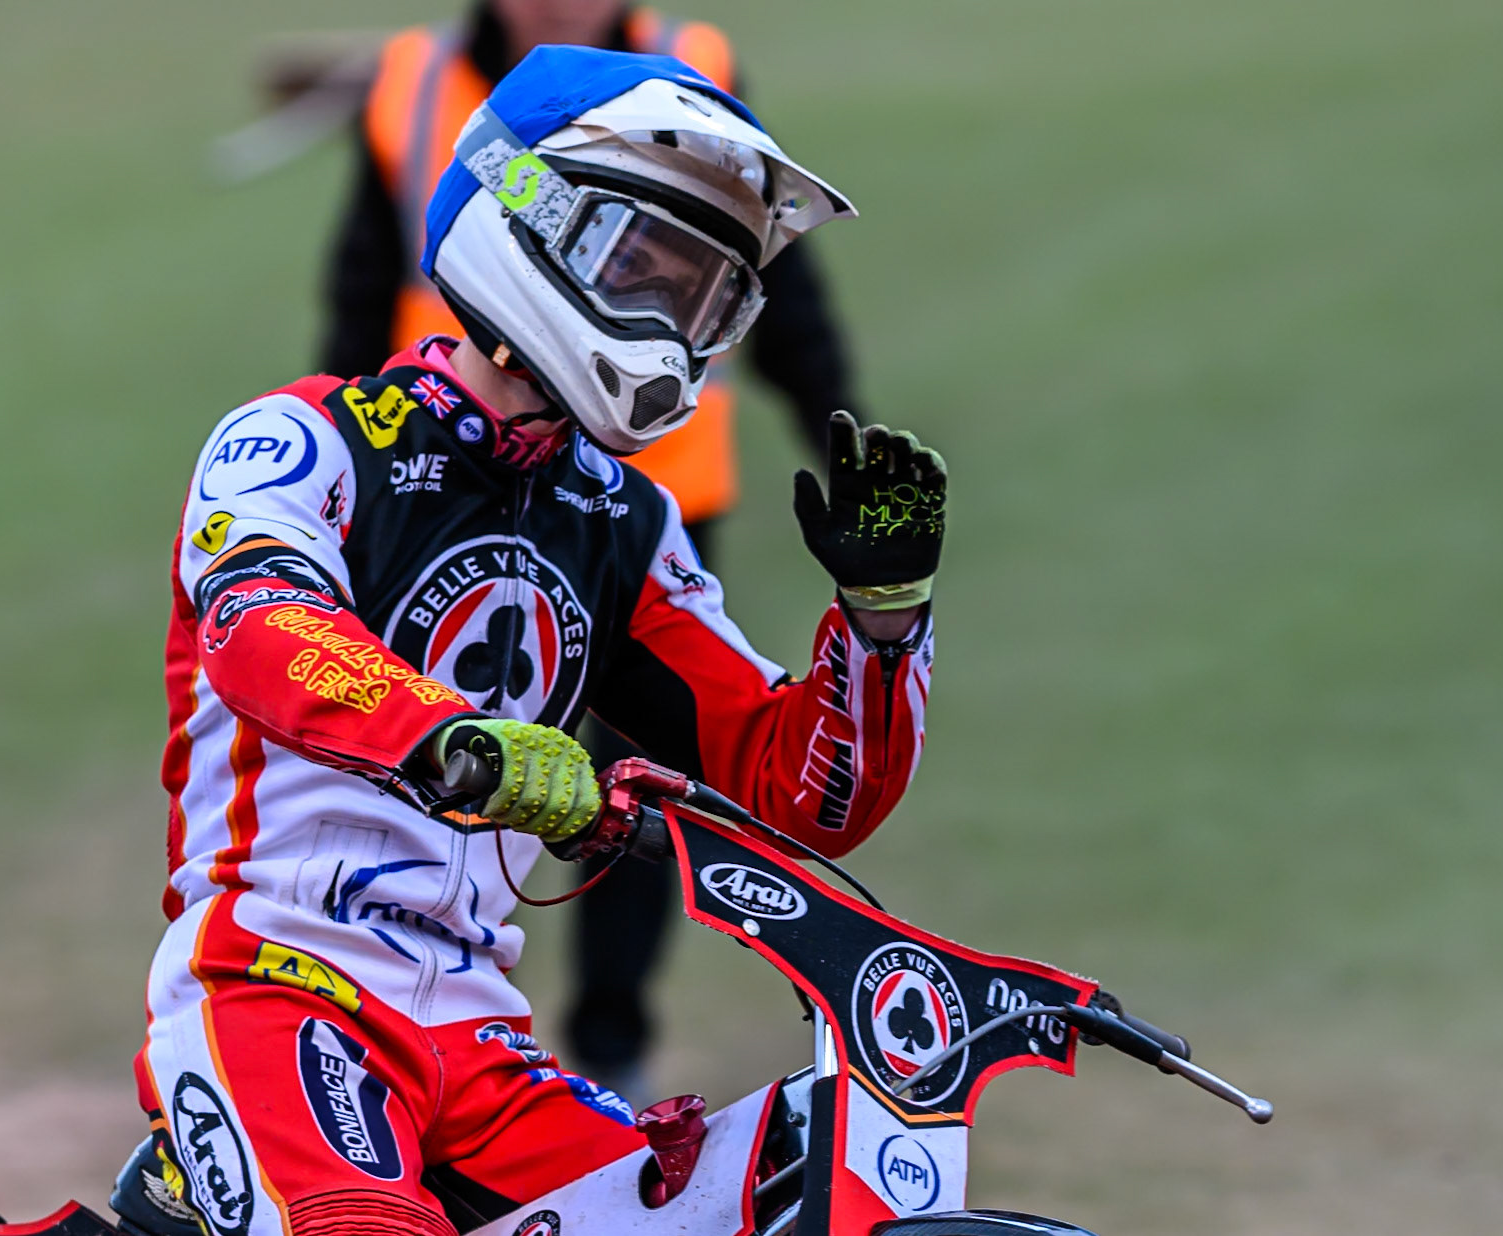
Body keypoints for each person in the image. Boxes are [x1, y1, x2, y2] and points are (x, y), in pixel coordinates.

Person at [124, 48, 944, 1236]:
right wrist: (468, 746)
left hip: (477, 1037)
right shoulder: (298, 442)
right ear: (528, 216)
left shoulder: (620, 517)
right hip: (278, 991)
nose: (672, 323)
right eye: (644, 271)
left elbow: (795, 791)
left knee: (761, 1208)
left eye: (704, 296)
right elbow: (265, 635)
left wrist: (882, 622)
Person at [321, 0, 866, 1094]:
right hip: (431, 481)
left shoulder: (693, 63)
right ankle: (368, 999)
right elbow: (359, 282)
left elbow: (775, 282)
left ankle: (607, 1037)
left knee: (632, 780)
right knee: (417, 749)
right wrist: (347, 453)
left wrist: (839, 442)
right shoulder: (413, 81)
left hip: (648, 491)